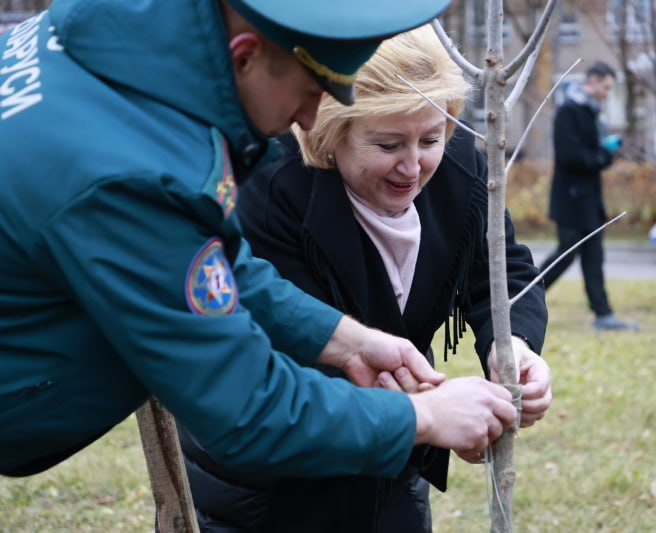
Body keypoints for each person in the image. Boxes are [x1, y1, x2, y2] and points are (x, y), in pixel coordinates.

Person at [0, 0, 520, 486]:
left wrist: (344, 339)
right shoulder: (127, 177)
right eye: (312, 91)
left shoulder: (106, 55)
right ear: (246, 55)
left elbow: (203, 266)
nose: (315, 120)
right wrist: (421, 416)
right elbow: (245, 407)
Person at [180, 25, 552, 532]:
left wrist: (515, 349)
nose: (413, 165)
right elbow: (282, 349)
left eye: (430, 138)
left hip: (393, 469)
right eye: (387, 143)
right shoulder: (270, 184)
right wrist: (437, 414)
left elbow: (503, 271)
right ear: (332, 130)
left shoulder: (463, 168)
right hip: (271, 481)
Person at [540, 61, 638, 331]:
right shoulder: (569, 112)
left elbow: (585, 153)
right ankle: (524, 299)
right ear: (592, 82)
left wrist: (602, 151)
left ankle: (603, 314)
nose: (608, 93)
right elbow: (571, 157)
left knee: (594, 257)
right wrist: (604, 155)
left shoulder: (591, 113)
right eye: (606, 87)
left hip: (589, 201)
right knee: (565, 255)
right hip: (571, 201)